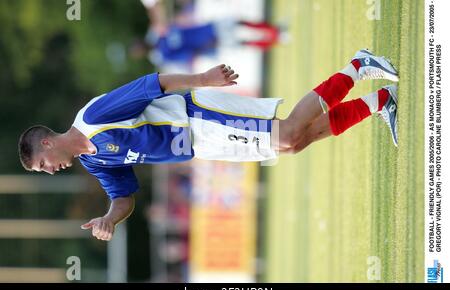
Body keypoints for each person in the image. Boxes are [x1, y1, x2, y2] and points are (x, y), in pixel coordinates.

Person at [18, 49, 399, 241]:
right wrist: (109, 218)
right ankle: (380, 102)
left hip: (197, 115)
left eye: (42, 164)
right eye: (43, 171)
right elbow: (124, 197)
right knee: (292, 145)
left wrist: (204, 78)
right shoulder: (94, 162)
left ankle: (358, 64)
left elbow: (153, 85)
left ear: (47, 143)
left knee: (286, 134)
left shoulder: (95, 116)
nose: (49, 170)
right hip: (201, 144)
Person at [136, 0, 288, 70]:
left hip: (207, 29)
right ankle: (276, 39)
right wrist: (207, 46)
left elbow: (168, 22)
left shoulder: (160, 36)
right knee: (243, 42)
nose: (142, 47)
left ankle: (274, 31)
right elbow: (189, 55)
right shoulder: (164, 54)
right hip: (211, 43)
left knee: (238, 22)